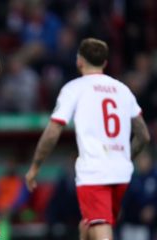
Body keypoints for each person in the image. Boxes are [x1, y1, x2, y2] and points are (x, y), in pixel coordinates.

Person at [25, 38, 150, 240]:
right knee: (90, 224)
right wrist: (127, 157)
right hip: (121, 172)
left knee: (101, 230)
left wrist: (35, 167)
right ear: (105, 63)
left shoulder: (75, 88)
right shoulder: (123, 89)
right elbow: (143, 135)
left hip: (94, 170)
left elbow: (53, 131)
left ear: (79, 61)